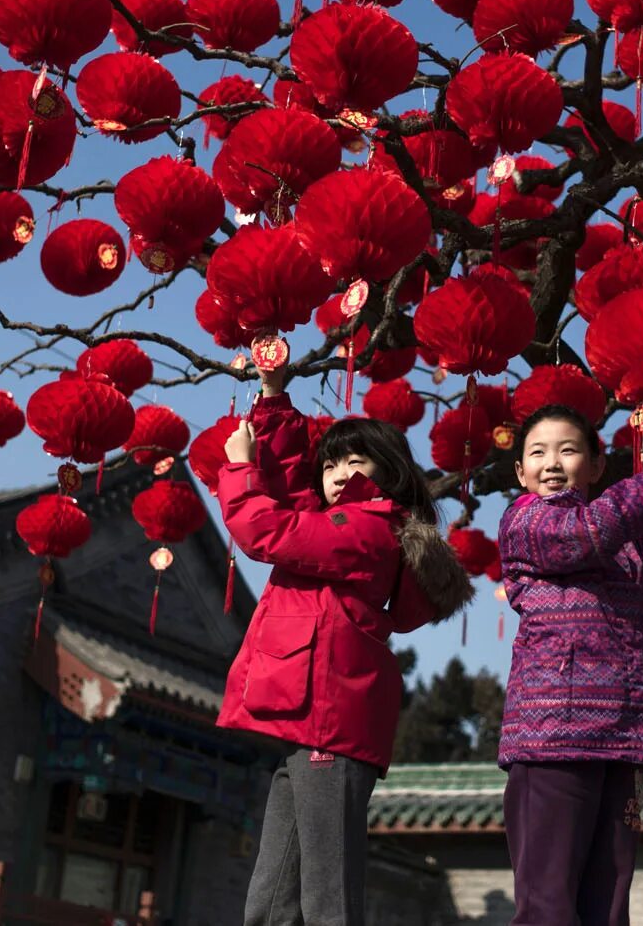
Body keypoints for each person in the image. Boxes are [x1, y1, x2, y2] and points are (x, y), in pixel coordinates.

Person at [218, 364, 472, 926]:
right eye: (329, 463)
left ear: (389, 474)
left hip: (330, 725)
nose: (336, 472)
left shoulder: (371, 526)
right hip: (311, 724)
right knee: (270, 903)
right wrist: (272, 395)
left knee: (327, 901)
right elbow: (288, 479)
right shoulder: (341, 521)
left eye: (354, 461)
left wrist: (238, 468)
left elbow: (269, 531)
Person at [498, 391, 643, 926]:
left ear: (597, 464)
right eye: (537, 453)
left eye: (568, 450)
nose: (552, 464)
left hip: (622, 739)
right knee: (548, 907)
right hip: (553, 740)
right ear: (519, 472)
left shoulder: (635, 546)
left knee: (607, 910)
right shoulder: (526, 522)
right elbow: (584, 534)